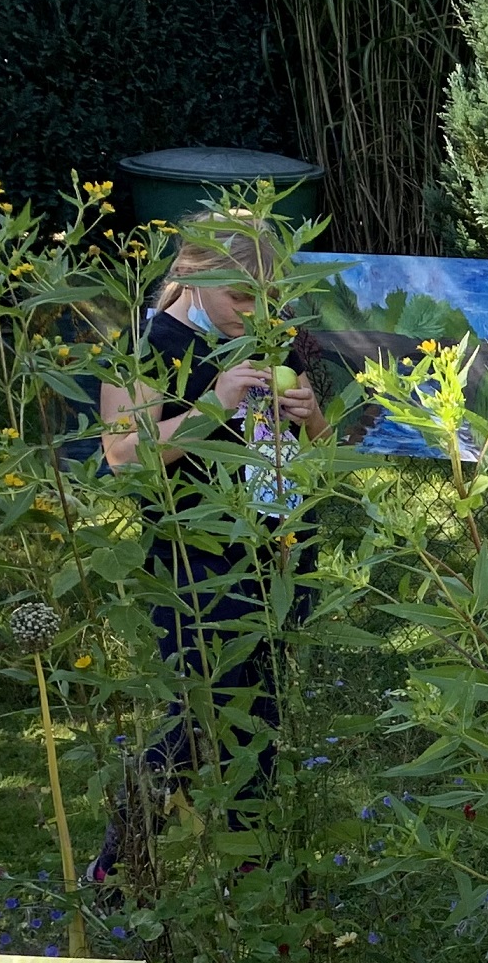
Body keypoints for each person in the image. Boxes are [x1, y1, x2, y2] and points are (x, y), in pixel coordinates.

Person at [88, 213, 329, 886]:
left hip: (274, 553)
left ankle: (251, 874)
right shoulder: (143, 345)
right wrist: (215, 402)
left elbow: (317, 455)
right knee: (197, 717)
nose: (257, 312)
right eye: (243, 297)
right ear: (196, 274)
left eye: (270, 296)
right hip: (193, 562)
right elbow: (123, 459)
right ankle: (119, 863)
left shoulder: (268, 338)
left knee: (261, 712)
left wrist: (309, 414)